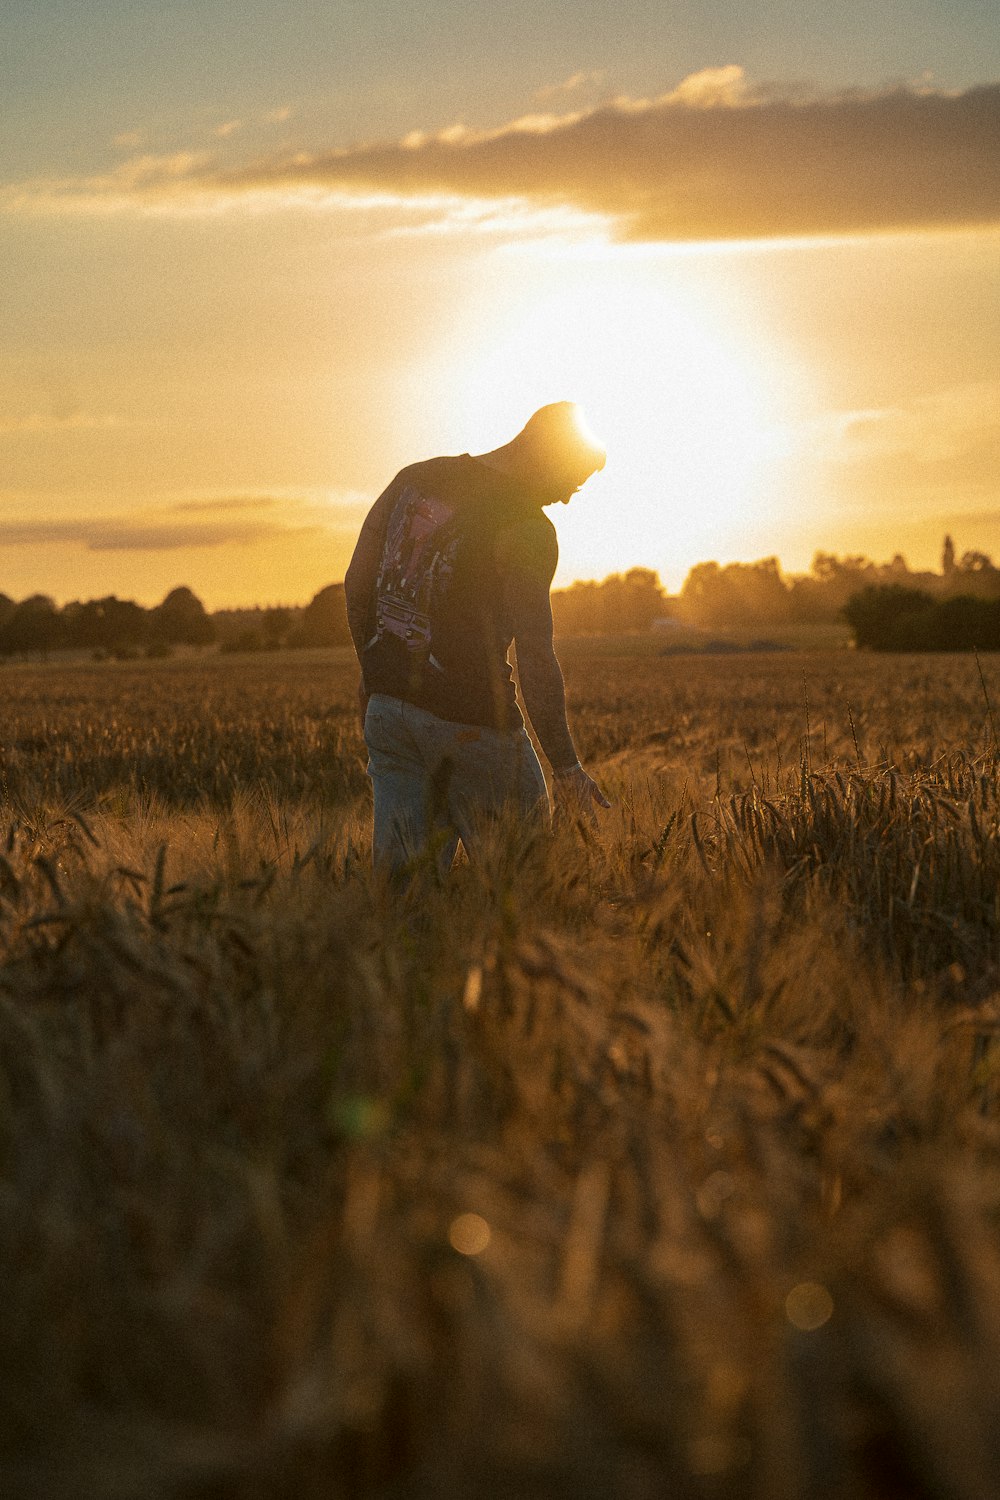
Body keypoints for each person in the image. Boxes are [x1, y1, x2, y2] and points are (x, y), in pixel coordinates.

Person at [344, 401, 610, 876]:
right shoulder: (528, 529)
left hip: (390, 716)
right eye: (572, 481)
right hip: (472, 724)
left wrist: (373, 671)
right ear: (547, 453)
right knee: (522, 893)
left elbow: (358, 584)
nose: (567, 499)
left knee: (405, 898)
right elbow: (535, 651)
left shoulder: (413, 481)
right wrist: (566, 767)